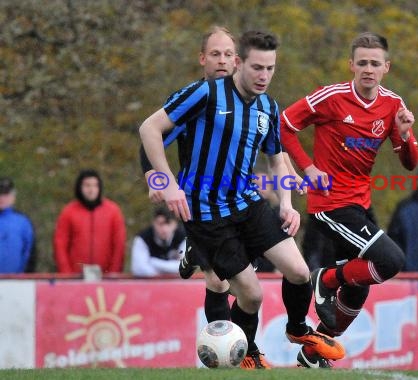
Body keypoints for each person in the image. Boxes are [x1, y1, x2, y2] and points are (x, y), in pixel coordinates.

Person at [139, 30, 344, 369]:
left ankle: (298, 330)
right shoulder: (204, 93)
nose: (264, 76)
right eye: (257, 68)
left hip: (246, 203)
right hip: (204, 211)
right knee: (251, 294)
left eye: (270, 68)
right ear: (239, 63)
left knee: (298, 271)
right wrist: (165, 182)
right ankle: (245, 353)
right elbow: (149, 129)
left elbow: (277, 160)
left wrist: (287, 204)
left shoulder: (267, 107)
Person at [281, 32, 418, 368]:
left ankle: (313, 353)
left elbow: (410, 164)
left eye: (375, 63)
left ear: (386, 67)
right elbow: (283, 125)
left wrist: (405, 136)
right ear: (351, 66)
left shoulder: (393, 105)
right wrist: (308, 167)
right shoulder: (331, 97)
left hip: (360, 203)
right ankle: (323, 279)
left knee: (359, 287)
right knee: (390, 260)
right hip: (329, 203)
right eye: (362, 63)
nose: (368, 69)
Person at [139, 26, 238, 324]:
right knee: (219, 281)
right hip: (198, 201)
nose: (222, 60)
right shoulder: (192, 100)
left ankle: (192, 252)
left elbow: (274, 146)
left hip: (240, 202)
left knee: (246, 282)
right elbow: (150, 137)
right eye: (215, 54)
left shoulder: (252, 99)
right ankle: (224, 350)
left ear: (238, 61)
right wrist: (156, 179)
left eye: (228, 54)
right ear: (202, 59)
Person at [53, 169, 126, 274]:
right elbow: (60, 245)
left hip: (105, 276)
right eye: (87, 185)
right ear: (80, 187)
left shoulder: (113, 212)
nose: (91, 190)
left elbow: (119, 244)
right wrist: (66, 273)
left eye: (95, 185)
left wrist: (113, 273)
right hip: (75, 276)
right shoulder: (68, 212)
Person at [131, 206, 186, 277]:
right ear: (154, 223)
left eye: (168, 223)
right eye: (160, 224)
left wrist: (153, 262)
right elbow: (139, 269)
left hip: (177, 284)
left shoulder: (184, 237)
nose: (164, 229)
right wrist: (172, 268)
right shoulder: (143, 238)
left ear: (175, 224)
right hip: (149, 284)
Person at [0, 177, 35, 274]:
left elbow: (30, 254)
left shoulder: (23, 222)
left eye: (5, 194)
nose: (2, 198)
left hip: (16, 284)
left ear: (13, 196)